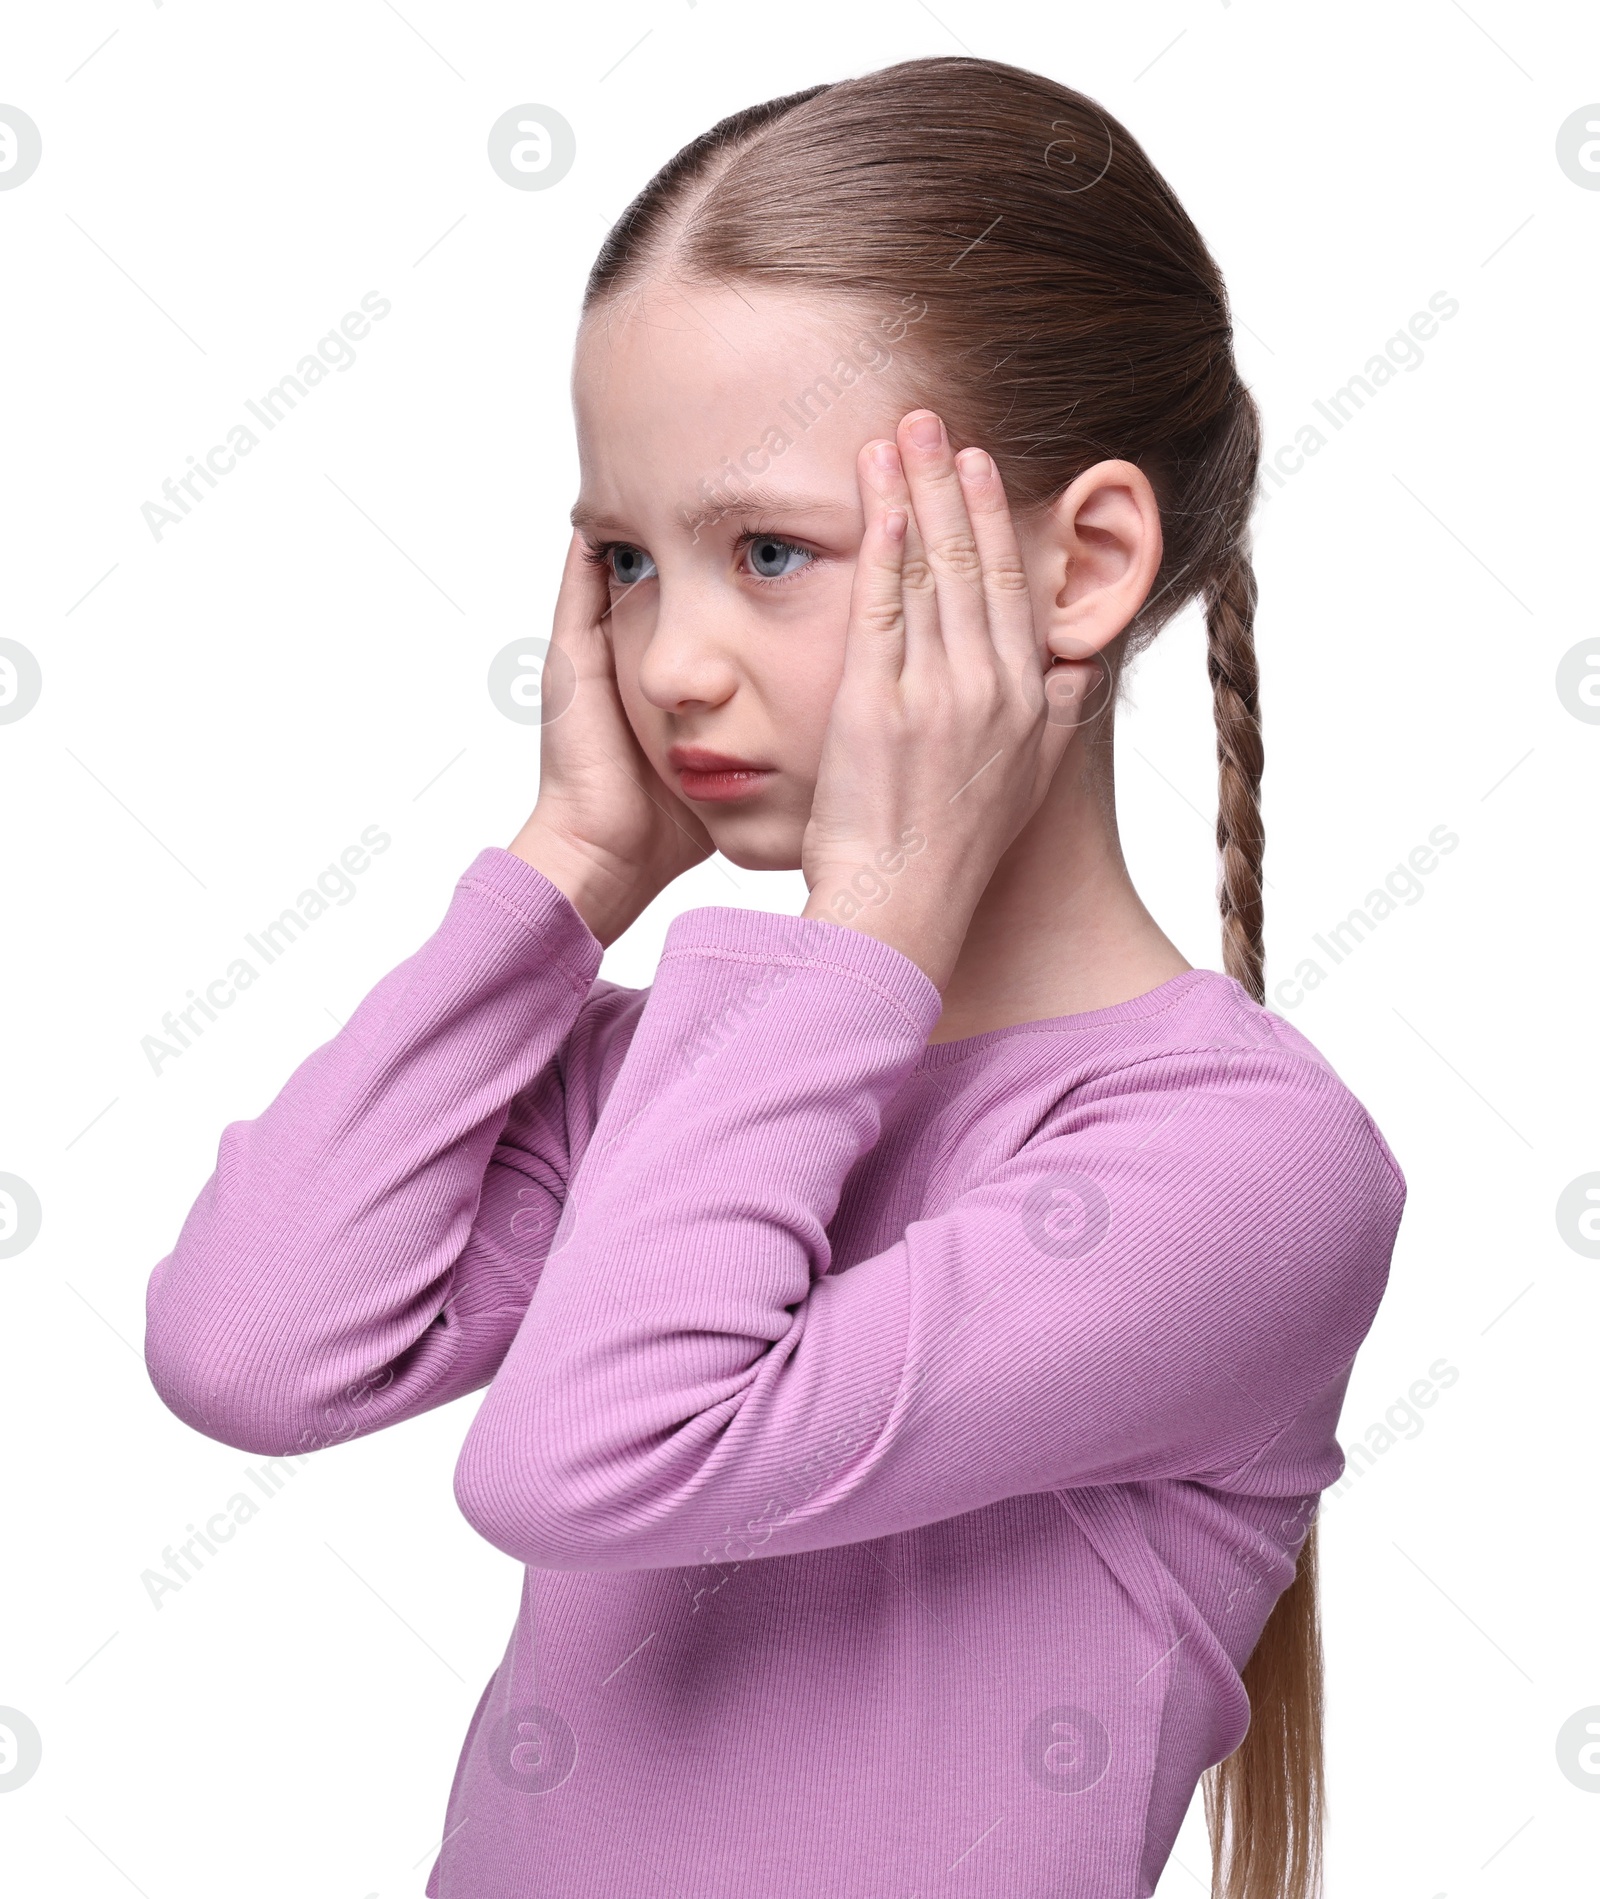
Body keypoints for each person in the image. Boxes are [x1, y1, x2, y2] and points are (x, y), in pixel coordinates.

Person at [144, 56, 1406, 1899]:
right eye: (627, 564)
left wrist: (879, 906)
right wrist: (567, 871)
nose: (670, 660)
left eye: (768, 553)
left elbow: (586, 1459)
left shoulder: (1246, 1169)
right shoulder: (684, 1074)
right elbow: (248, 1346)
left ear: (1085, 568)